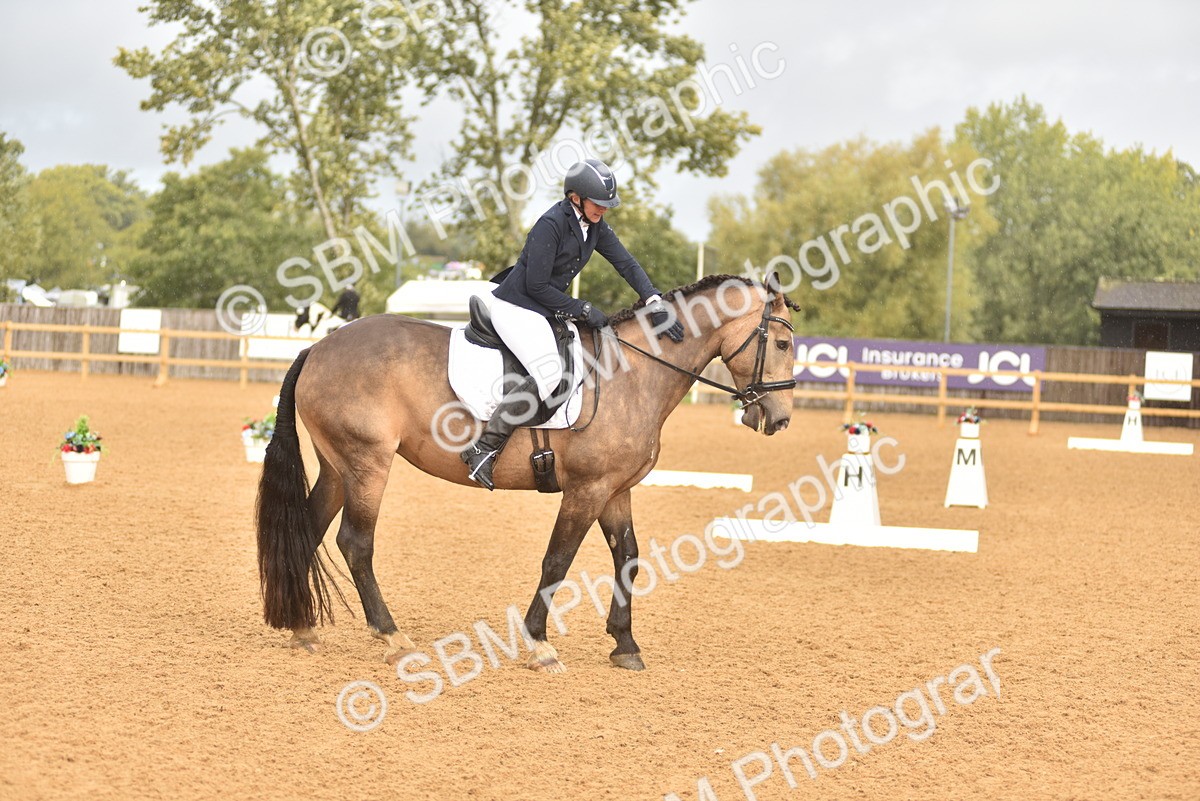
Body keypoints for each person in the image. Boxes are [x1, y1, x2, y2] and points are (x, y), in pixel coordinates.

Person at [460, 158, 685, 490]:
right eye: (598, 203)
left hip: (544, 308)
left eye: (608, 206)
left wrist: (654, 300)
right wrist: (582, 309)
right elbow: (535, 286)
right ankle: (484, 447)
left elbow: (625, 262)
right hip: (516, 305)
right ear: (575, 197)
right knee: (550, 373)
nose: (603, 210)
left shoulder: (593, 225)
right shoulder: (550, 224)